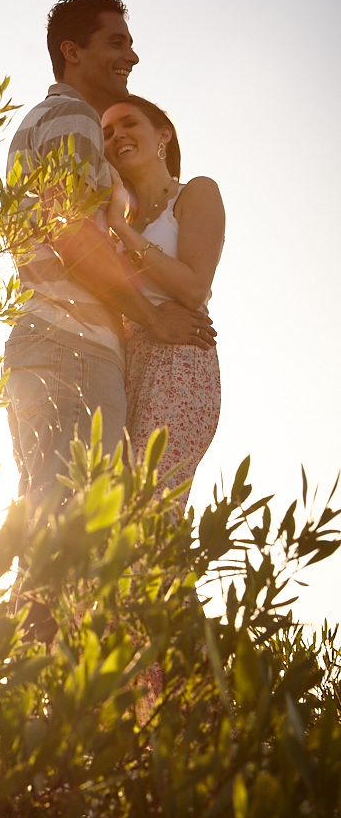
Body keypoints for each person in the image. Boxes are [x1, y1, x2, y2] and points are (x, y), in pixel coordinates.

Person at [3, 0, 216, 516]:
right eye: (116, 42)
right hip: (72, 345)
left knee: (61, 524)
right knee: (76, 533)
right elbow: (73, 235)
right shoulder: (73, 118)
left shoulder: (50, 121)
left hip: (55, 344)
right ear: (72, 52)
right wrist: (151, 318)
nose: (132, 57)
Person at [102, 94, 225, 516]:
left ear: (163, 135)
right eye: (108, 133)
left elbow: (193, 289)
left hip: (180, 361)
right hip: (125, 365)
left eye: (129, 124)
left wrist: (125, 232)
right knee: (113, 511)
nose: (117, 136)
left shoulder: (196, 193)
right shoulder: (111, 219)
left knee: (150, 508)